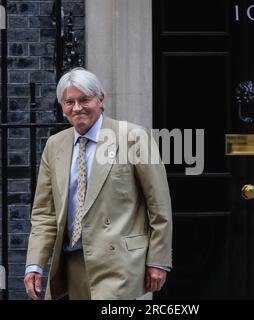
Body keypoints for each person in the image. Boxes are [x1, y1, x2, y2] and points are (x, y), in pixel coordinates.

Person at [23, 68, 173, 300]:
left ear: (101, 99)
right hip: (70, 265)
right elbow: (44, 213)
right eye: (69, 102)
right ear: (62, 107)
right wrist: (34, 264)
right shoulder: (55, 145)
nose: (77, 108)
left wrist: (158, 260)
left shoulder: (133, 137)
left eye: (84, 100)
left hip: (118, 264)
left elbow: (159, 206)